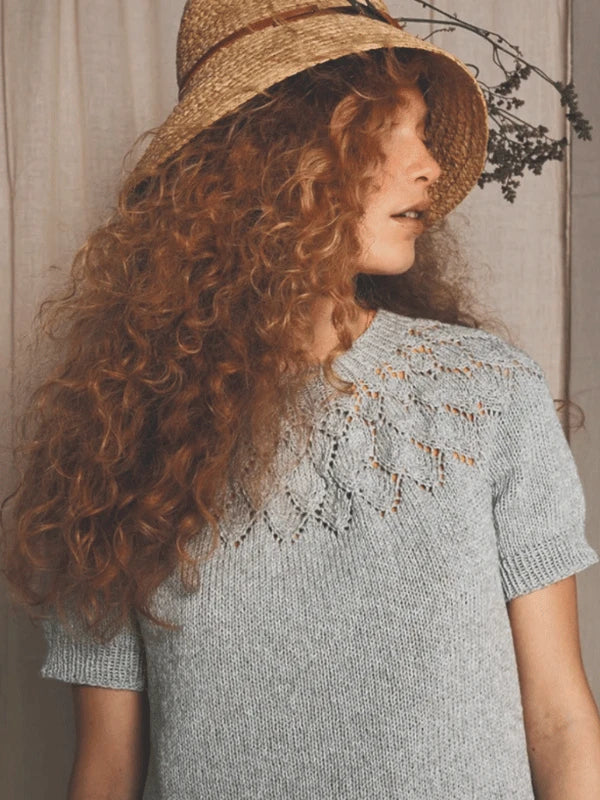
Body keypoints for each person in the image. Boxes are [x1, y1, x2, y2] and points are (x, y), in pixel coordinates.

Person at [2, 1, 600, 798]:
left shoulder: (487, 396)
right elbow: (106, 771)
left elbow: (561, 720)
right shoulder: (121, 442)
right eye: (399, 128)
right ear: (280, 155)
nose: (430, 166)